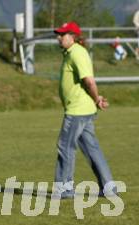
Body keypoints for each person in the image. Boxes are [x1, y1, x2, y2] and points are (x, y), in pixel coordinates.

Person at [53, 21, 115, 198]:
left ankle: (65, 189)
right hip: (83, 109)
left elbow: (89, 81)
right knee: (91, 148)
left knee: (65, 147)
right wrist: (96, 100)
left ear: (72, 36)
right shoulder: (70, 52)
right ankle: (109, 187)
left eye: (62, 34)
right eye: (58, 34)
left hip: (77, 111)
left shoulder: (77, 53)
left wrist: (97, 98)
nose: (59, 37)